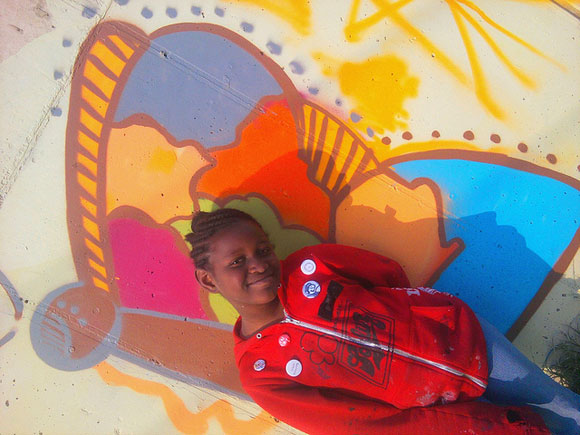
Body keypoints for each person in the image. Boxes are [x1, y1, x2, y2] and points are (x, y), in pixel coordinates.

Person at [186, 208, 580, 434]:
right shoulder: (262, 373)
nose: (257, 265)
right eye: (237, 262)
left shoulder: (311, 267)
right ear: (208, 278)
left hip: (462, 340)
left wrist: (419, 319)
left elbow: (387, 275)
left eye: (262, 250)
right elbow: (356, 423)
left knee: (562, 408)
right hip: (430, 412)